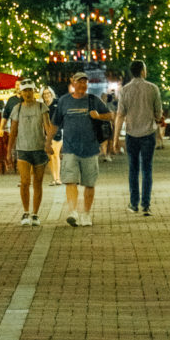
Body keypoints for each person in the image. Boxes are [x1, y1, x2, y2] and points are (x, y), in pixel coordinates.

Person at [45, 72, 113, 228]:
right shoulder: (64, 101)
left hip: (90, 148)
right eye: (79, 82)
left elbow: (110, 115)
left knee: (89, 184)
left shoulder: (93, 100)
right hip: (70, 149)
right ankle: (73, 212)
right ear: (72, 83)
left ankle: (86, 214)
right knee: (70, 181)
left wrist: (98, 116)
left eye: (85, 82)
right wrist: (48, 142)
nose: (82, 85)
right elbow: (55, 124)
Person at [114, 61, 163, 216]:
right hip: (148, 133)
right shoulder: (153, 88)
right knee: (147, 169)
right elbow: (158, 113)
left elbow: (120, 114)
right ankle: (146, 205)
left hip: (131, 134)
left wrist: (115, 139)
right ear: (143, 71)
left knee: (133, 169)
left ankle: (134, 203)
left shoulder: (124, 90)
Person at [7, 79, 51, 226]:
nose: (27, 93)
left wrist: (49, 143)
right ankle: (25, 211)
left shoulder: (41, 107)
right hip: (23, 149)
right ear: (20, 93)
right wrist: (9, 150)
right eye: (24, 90)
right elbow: (13, 131)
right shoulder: (17, 109)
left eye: (30, 90)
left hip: (39, 149)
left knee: (38, 182)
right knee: (25, 182)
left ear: (34, 91)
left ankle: (35, 214)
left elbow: (47, 126)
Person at [41, 87, 62, 185]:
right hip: (46, 133)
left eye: (48, 93)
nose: (46, 95)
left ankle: (58, 178)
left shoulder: (57, 103)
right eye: (44, 94)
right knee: (50, 156)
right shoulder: (42, 106)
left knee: (55, 154)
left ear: (51, 93)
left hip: (57, 132)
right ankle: (54, 178)